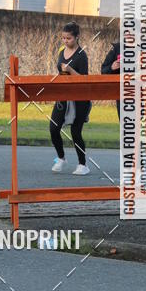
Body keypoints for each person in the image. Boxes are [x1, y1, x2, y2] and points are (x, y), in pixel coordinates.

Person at [49, 22, 91, 176]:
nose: (66, 41)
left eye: (69, 38)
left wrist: (71, 70)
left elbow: (84, 79)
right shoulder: (61, 51)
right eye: (63, 38)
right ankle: (61, 158)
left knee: (75, 132)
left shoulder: (82, 56)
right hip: (63, 96)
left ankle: (83, 164)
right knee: (54, 128)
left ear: (76, 37)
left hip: (79, 98)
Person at [101, 41, 146, 116]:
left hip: (144, 93)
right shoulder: (117, 48)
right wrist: (112, 67)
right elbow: (104, 71)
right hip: (124, 94)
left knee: (141, 124)